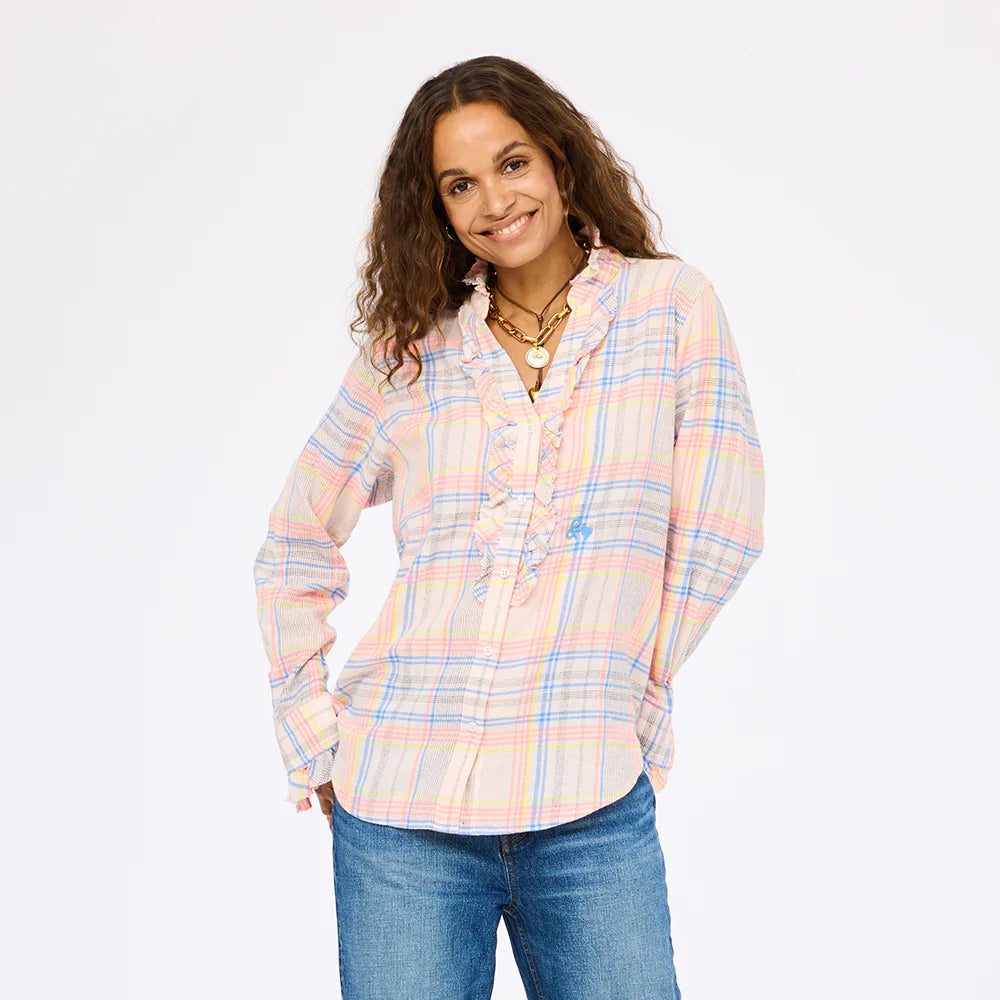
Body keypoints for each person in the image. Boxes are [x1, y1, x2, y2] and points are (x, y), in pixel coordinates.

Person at [253, 54, 766, 1000]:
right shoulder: (411, 350)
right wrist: (314, 730)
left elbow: (723, 523)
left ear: (561, 163)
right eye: (460, 183)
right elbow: (293, 540)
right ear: (437, 208)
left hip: (590, 804)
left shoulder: (669, 309)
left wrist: (637, 686)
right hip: (399, 811)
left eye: (513, 162)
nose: (494, 199)